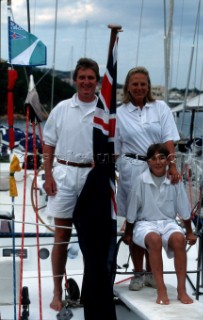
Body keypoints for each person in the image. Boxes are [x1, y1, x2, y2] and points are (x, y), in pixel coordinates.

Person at [114, 66, 181, 291]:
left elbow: (169, 139)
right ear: (128, 87)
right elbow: (115, 148)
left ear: (149, 86)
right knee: (135, 222)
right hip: (131, 170)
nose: (139, 88)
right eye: (135, 84)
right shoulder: (119, 112)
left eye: (143, 84)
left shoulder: (160, 107)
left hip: (158, 168)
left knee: (155, 220)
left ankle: (153, 272)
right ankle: (138, 272)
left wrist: (172, 165)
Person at [43, 58, 100, 312]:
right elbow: (49, 143)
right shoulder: (62, 108)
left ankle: (91, 292)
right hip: (64, 174)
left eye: (91, 78)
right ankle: (57, 292)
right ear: (75, 80)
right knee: (62, 236)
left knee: (92, 239)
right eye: (82, 77)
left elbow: (116, 146)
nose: (86, 82)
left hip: (93, 177)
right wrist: (47, 175)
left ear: (97, 81)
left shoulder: (105, 111)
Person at [124, 143, 197, 305]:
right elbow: (132, 210)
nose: (158, 162)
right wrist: (128, 232)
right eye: (153, 159)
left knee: (179, 239)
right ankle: (161, 289)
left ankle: (181, 290)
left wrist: (190, 232)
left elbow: (184, 209)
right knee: (154, 240)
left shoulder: (175, 180)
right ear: (148, 162)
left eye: (162, 158)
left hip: (168, 222)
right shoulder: (140, 181)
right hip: (145, 223)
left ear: (167, 161)